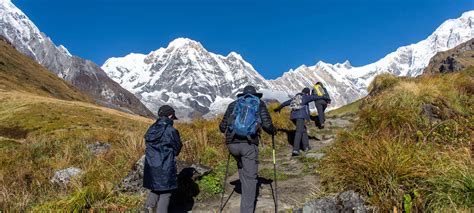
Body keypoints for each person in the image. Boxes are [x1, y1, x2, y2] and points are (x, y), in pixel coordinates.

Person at [219, 85, 276, 213]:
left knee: (242, 168)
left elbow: (222, 127)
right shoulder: (259, 103)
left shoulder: (233, 104)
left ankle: (244, 192)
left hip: (232, 144)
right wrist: (274, 131)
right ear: (255, 95)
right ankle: (246, 210)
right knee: (251, 179)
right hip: (249, 144)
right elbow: (267, 125)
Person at [143, 105, 182, 213]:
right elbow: (177, 148)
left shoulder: (151, 129)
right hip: (165, 165)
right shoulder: (171, 131)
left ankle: (148, 207)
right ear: (170, 116)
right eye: (173, 117)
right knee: (166, 192)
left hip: (151, 165)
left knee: (155, 188)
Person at [274, 88, 325, 156]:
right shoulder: (305, 97)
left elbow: (285, 103)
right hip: (300, 116)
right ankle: (295, 149)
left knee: (303, 130)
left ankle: (306, 147)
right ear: (307, 93)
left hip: (293, 117)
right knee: (299, 131)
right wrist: (323, 97)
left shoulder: (295, 98)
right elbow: (314, 97)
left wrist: (278, 108)